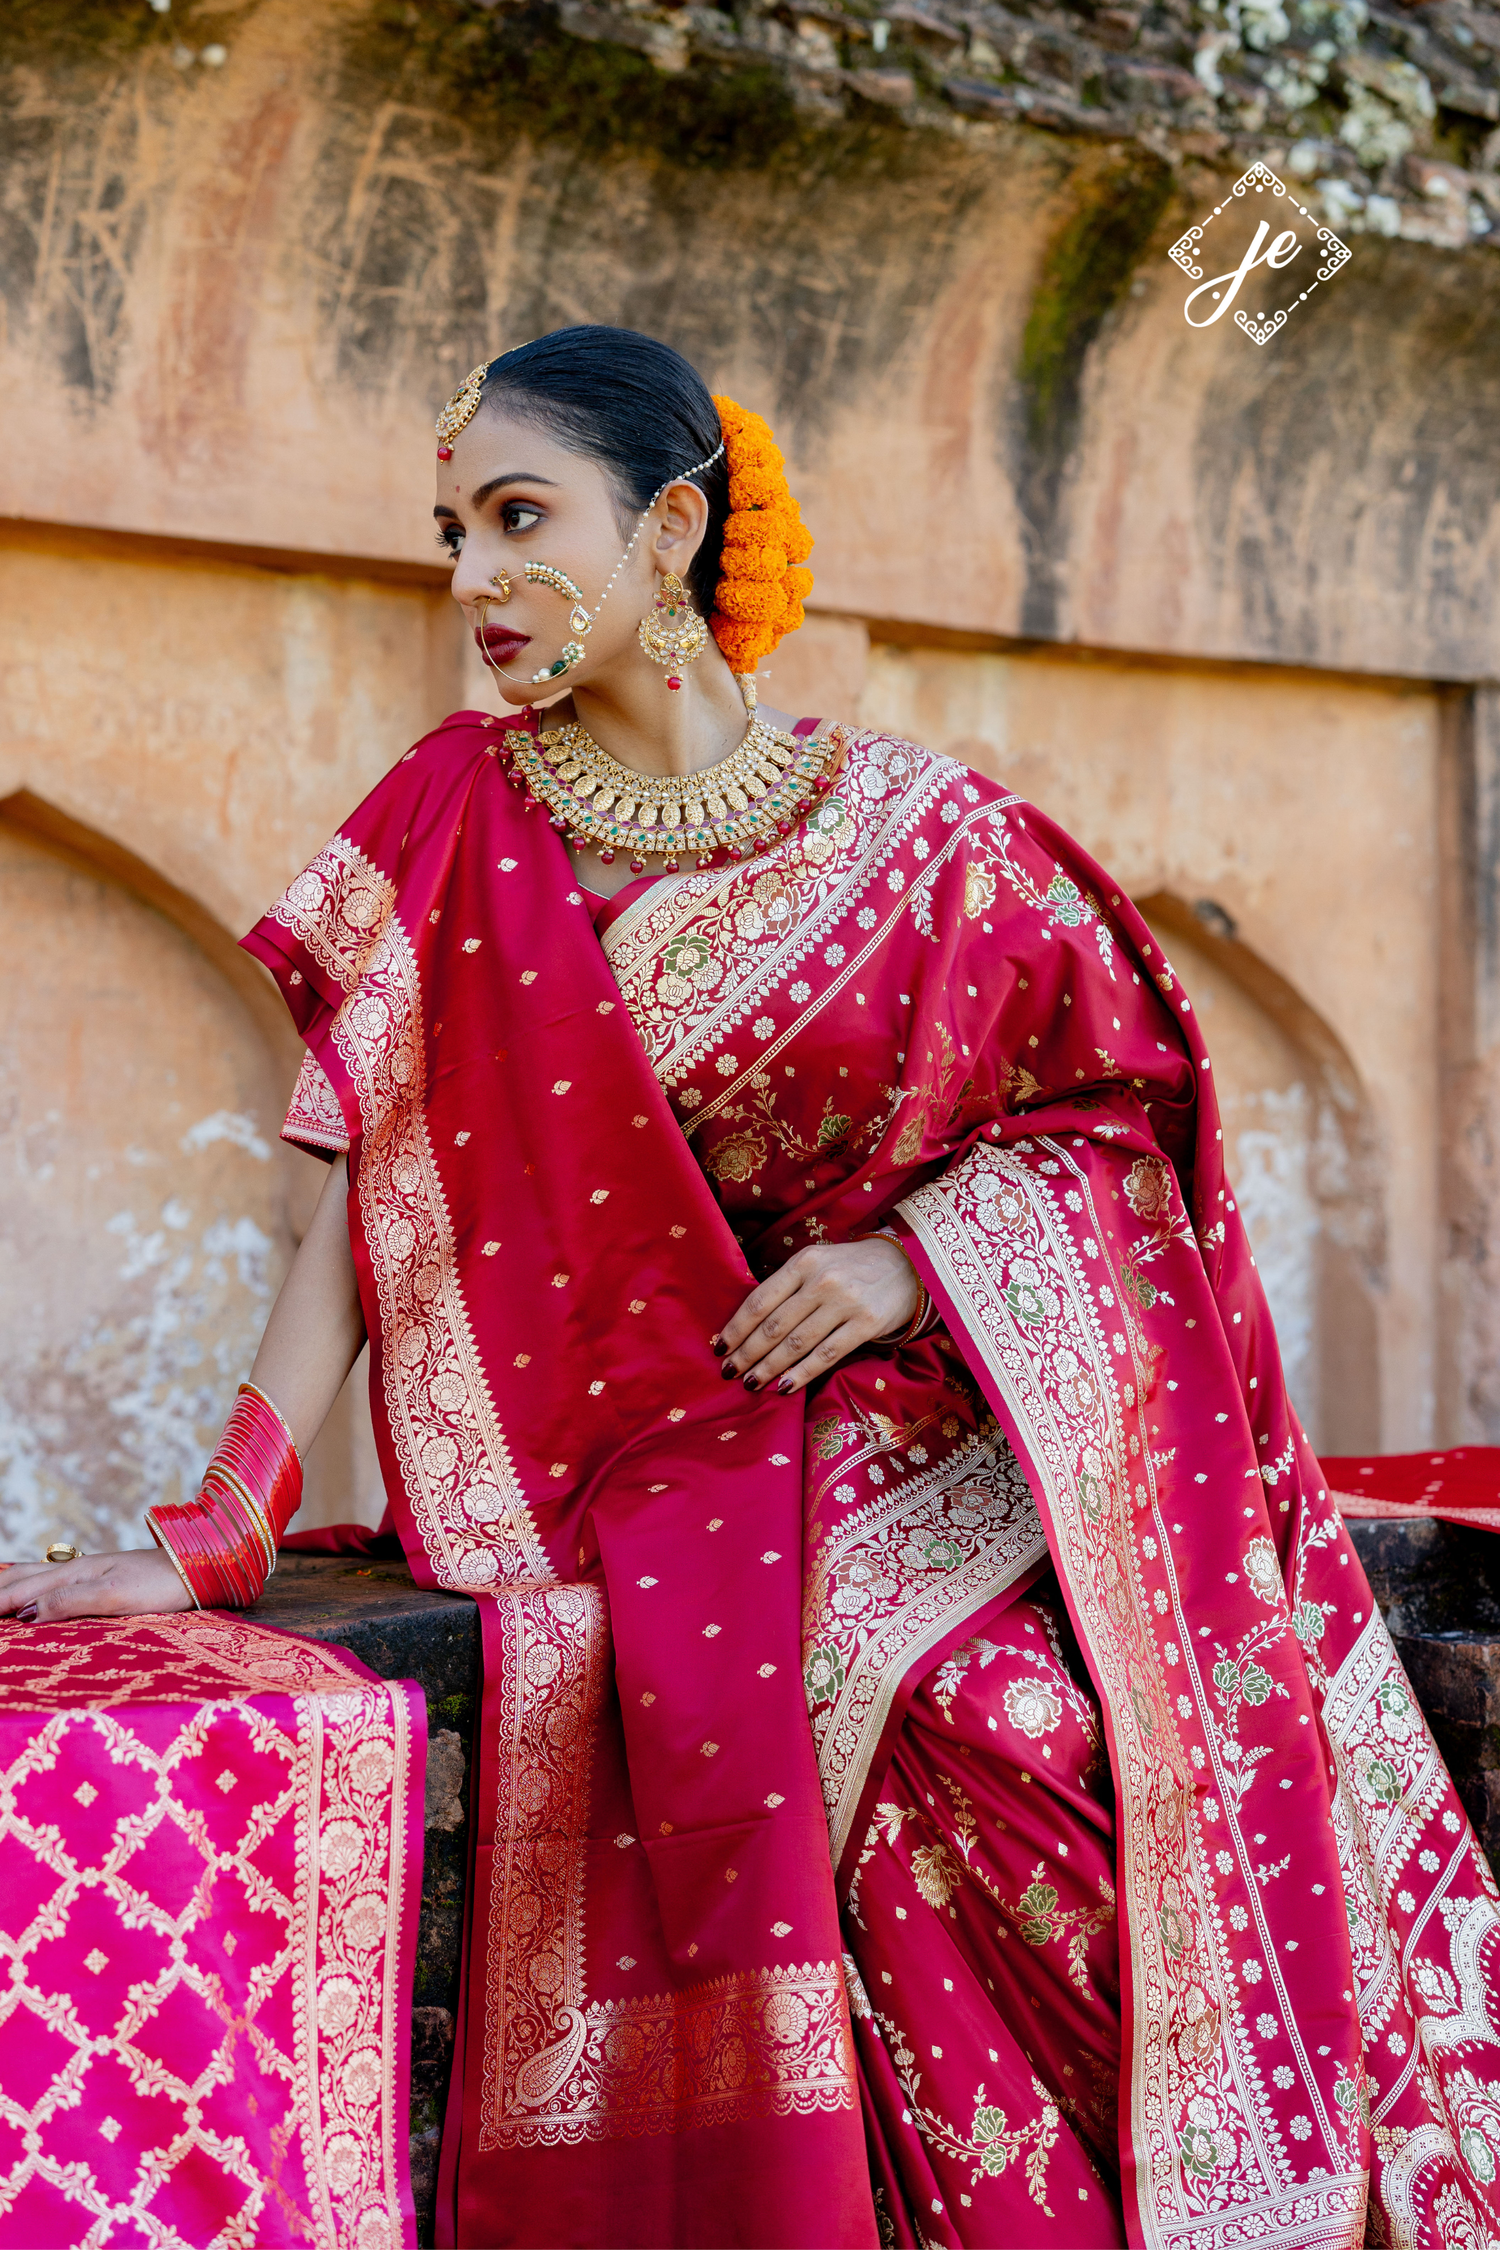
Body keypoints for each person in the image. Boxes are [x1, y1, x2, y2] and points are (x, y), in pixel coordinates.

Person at [6, 323, 1499, 2250]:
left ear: (672, 530)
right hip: (626, 1461)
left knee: (1031, 1731)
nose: (471, 580)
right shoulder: (453, 822)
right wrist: (219, 1531)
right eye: (452, 528)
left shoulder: (924, 837)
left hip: (920, 1437)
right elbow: (362, 1220)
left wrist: (909, 1265)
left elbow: (1124, 1138)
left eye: (519, 520)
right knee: (874, 1715)